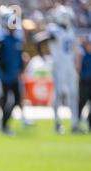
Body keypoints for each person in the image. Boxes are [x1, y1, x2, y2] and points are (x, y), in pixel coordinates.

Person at [36, 5, 80, 134]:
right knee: (59, 94)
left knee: (73, 94)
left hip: (69, 65)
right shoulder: (54, 30)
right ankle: (57, 122)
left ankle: (75, 123)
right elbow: (39, 40)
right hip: (59, 66)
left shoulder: (70, 30)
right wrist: (43, 57)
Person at [0, 8, 24, 136]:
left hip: (14, 75)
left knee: (17, 100)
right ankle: (3, 124)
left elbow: (20, 56)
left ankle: (5, 122)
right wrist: (4, 68)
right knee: (6, 100)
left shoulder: (18, 40)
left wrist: (20, 69)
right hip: (5, 76)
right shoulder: (2, 39)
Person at [78, 35, 91, 132]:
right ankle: (77, 121)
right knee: (82, 102)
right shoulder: (82, 54)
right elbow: (78, 67)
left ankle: (89, 122)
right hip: (84, 81)